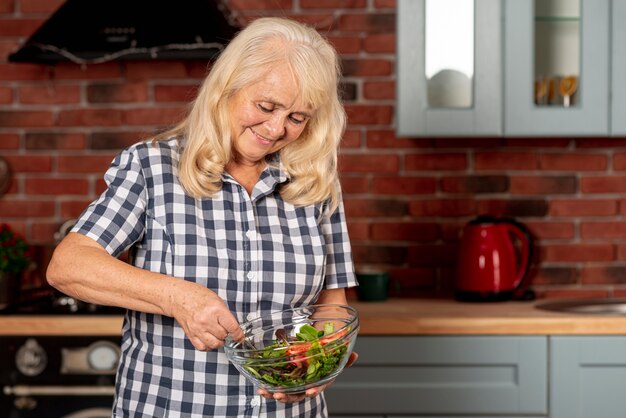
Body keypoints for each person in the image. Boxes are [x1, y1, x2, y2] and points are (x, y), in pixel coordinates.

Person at [46, 16, 358, 418]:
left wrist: (319, 366)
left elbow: (332, 305)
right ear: (227, 86)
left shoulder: (315, 181)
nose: (277, 128)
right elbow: (68, 265)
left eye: (297, 118)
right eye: (266, 106)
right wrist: (179, 297)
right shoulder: (152, 168)